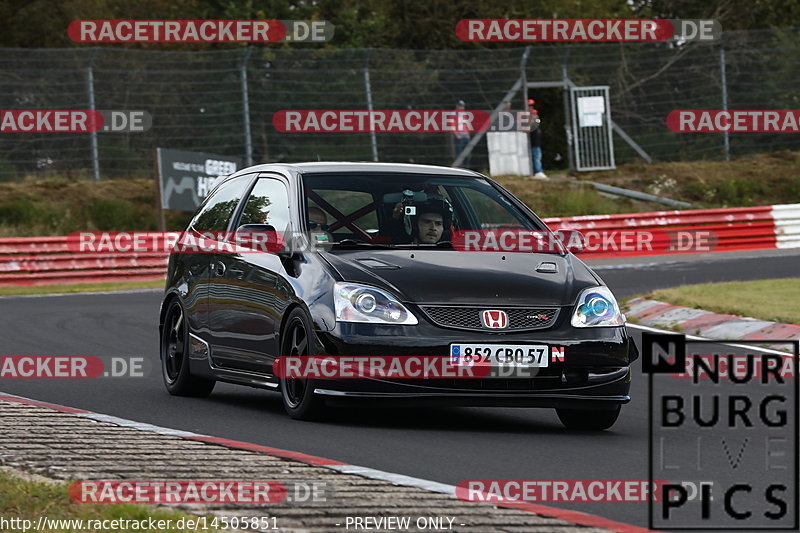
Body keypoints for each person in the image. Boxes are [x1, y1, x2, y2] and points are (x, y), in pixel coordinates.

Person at [528, 99, 547, 179]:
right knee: (535, 156)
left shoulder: (534, 116)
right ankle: (537, 171)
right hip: (533, 141)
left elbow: (533, 125)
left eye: (531, 105)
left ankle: (539, 171)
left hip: (535, 141)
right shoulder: (529, 116)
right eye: (529, 106)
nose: (530, 107)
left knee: (536, 156)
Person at [452, 100, 471, 168]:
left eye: (462, 106)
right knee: (459, 154)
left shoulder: (464, 114)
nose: (462, 107)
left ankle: (466, 168)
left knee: (466, 154)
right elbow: (452, 125)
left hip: (465, 136)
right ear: (457, 106)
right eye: (460, 106)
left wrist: (468, 134)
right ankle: (458, 168)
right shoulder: (454, 114)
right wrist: (456, 134)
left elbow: (466, 124)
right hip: (459, 137)